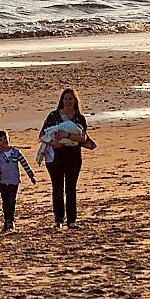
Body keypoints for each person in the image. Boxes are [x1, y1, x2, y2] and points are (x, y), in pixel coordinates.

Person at [38, 87, 94, 228]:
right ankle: (58, 220)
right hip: (55, 156)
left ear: (75, 101)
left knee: (71, 188)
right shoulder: (53, 116)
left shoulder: (79, 118)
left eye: (70, 99)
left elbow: (83, 137)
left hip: (73, 155)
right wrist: (52, 142)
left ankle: (71, 220)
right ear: (62, 100)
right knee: (57, 187)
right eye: (65, 98)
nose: (68, 101)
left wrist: (67, 135)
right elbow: (42, 135)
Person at [0, 129, 35, 232]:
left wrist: (30, 175)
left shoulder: (15, 152)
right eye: (0, 140)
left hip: (14, 181)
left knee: (11, 200)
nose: (3, 141)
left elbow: (24, 163)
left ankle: (11, 220)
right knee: (5, 201)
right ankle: (6, 220)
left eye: (5, 139)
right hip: (3, 182)